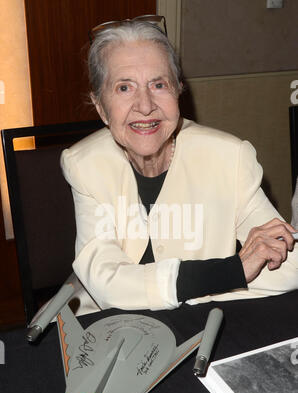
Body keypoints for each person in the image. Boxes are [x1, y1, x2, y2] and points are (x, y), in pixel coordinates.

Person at [61, 17, 298, 315]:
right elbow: (106, 282)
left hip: (199, 329)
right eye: (124, 88)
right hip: (110, 329)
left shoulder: (229, 157)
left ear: (178, 91)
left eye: (158, 84)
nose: (145, 105)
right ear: (101, 108)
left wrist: (198, 288)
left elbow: (290, 268)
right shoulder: (85, 164)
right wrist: (230, 273)